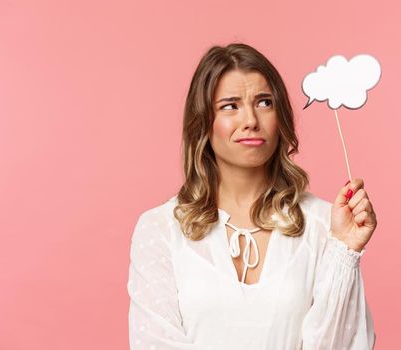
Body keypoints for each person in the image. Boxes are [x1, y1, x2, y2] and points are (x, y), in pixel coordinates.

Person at [127, 42, 378, 349]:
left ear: (280, 116)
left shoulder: (327, 225)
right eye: (230, 106)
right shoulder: (160, 229)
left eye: (264, 103)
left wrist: (345, 251)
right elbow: (155, 342)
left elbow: (341, 345)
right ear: (204, 123)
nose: (251, 121)